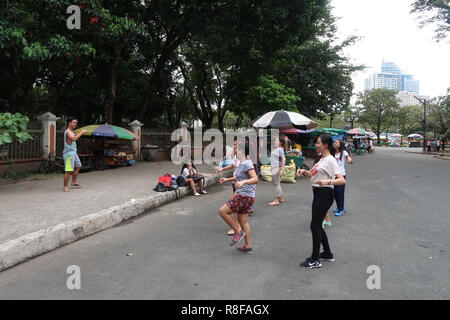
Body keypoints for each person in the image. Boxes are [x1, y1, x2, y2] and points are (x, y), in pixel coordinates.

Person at [296, 134, 346, 269]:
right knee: (317, 225)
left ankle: (315, 259)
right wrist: (303, 171)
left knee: (314, 225)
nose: (316, 145)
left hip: (325, 194)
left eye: (318, 143)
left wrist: (327, 181)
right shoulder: (321, 159)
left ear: (325, 145)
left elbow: (342, 180)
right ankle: (328, 254)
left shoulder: (330, 160)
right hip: (317, 193)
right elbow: (312, 174)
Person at [219, 142, 258, 253]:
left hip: (244, 196)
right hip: (247, 197)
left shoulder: (247, 163)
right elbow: (238, 176)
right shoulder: (242, 163)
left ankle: (237, 231)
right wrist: (227, 179)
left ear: (242, 151)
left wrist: (243, 182)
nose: (234, 150)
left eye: (236, 148)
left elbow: (255, 178)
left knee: (222, 211)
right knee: (243, 222)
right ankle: (248, 246)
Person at [323, 139, 353, 227]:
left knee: (340, 192)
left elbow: (348, 157)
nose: (334, 143)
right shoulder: (332, 152)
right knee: (335, 193)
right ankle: (339, 207)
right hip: (333, 175)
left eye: (336, 142)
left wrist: (350, 159)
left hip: (341, 175)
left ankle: (341, 209)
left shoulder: (343, 152)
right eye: (334, 142)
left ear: (340, 144)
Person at [63, 117, 88, 192]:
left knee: (78, 166)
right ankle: (65, 186)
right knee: (68, 171)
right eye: (74, 122)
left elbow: (74, 135)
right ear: (69, 123)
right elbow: (73, 139)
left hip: (73, 153)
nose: (75, 124)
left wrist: (80, 132)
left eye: (76, 123)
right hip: (69, 155)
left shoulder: (71, 131)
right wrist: (81, 132)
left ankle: (73, 182)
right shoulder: (67, 131)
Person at [269, 136, 286, 206]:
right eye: (275, 141)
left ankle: (276, 200)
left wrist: (282, 169)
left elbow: (283, 159)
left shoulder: (280, 149)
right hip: (275, 167)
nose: (275, 142)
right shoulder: (278, 149)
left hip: (276, 168)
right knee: (277, 183)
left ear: (280, 143)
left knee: (276, 184)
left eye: (277, 141)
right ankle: (281, 198)